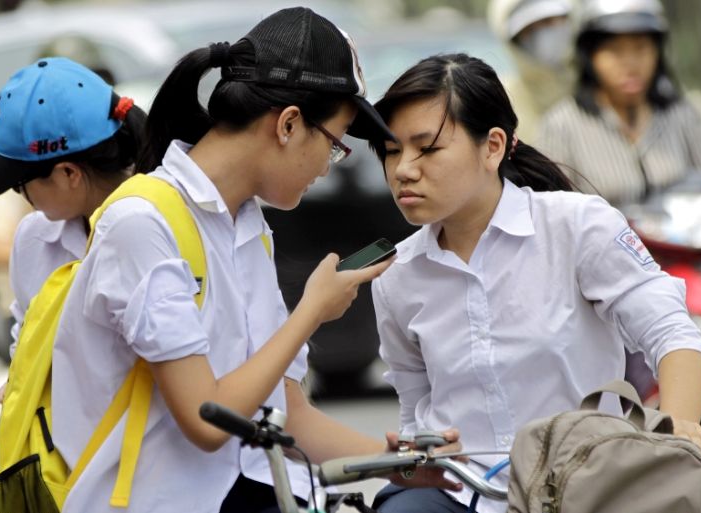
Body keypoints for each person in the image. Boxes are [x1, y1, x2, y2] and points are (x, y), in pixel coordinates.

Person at [41, 8, 459, 513]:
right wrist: (311, 312)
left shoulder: (246, 225)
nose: (327, 169)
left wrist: (400, 463)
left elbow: (289, 415)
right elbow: (207, 420)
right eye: (334, 145)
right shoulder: (142, 223)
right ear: (288, 124)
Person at [365, 53, 701, 513]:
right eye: (391, 151)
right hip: (456, 493)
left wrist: (678, 431)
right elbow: (415, 409)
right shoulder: (396, 276)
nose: (403, 169)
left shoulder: (579, 226)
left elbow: (672, 333)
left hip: (585, 483)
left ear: (492, 147)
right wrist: (416, 454)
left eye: (426, 148)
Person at [0, 57, 146, 403]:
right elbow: (27, 346)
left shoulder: (157, 229)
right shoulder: (34, 239)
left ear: (68, 174)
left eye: (19, 185)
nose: (21, 197)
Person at [537, 0, 701, 206]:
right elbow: (552, 209)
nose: (630, 64)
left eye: (641, 48)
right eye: (614, 50)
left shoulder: (680, 113)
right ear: (590, 56)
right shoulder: (562, 126)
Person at [487, 0, 575, 142]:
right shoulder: (501, 102)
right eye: (529, 30)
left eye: (547, 21)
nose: (542, 35)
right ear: (513, 42)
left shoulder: (601, 78)